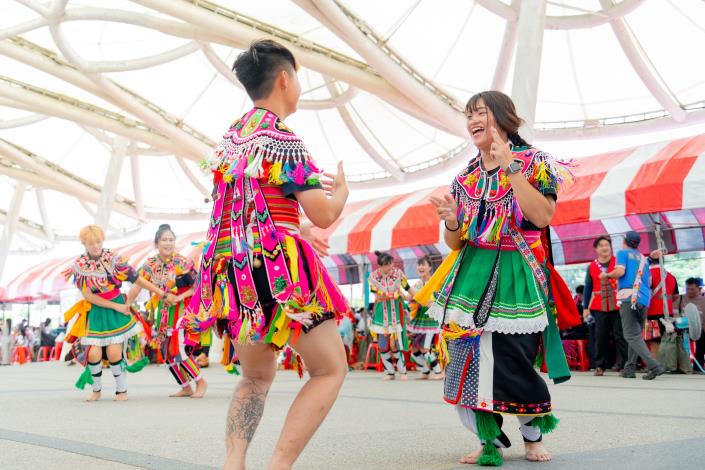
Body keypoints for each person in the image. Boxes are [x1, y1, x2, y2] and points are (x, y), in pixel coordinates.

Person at [183, 39, 349, 470]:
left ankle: (233, 463)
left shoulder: (230, 140)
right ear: (283, 78)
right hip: (277, 271)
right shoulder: (283, 140)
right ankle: (278, 466)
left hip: (231, 273)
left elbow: (246, 208)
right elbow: (324, 212)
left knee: (254, 377)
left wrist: (296, 226)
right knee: (330, 370)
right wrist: (341, 195)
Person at [424, 90, 579, 466]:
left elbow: (541, 217)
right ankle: (487, 436)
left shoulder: (535, 162)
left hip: (516, 273)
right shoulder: (465, 177)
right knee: (465, 358)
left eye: (480, 112)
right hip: (470, 277)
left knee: (513, 359)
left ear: (503, 117)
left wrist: (511, 169)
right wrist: (450, 220)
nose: (473, 120)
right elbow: (457, 242)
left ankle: (532, 434)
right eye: (469, 114)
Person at [63, 225, 164, 401]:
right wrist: (116, 306)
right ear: (84, 244)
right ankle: (96, 390)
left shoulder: (114, 259)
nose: (96, 246)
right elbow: (88, 296)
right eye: (91, 243)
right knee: (93, 353)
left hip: (116, 306)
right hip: (97, 310)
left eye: (98, 242)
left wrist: (160, 292)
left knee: (114, 351)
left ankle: (121, 390)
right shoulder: (79, 266)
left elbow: (136, 278)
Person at [126, 224, 208, 398]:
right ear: (156, 243)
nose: (168, 243)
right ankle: (185, 387)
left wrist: (178, 297)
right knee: (167, 353)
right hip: (162, 313)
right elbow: (137, 286)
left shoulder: (183, 262)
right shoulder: (150, 264)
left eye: (171, 239)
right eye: (164, 240)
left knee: (179, 348)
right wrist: (127, 304)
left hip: (182, 310)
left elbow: (197, 286)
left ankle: (201, 382)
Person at [607, 231, 665, 380]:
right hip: (644, 299)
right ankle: (629, 368)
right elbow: (649, 280)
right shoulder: (643, 258)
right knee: (636, 335)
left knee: (631, 335)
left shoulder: (623, 253)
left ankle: (654, 366)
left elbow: (620, 271)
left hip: (629, 297)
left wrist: (606, 275)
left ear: (625, 241)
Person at [582, 236, 628, 375]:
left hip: (618, 304)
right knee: (600, 336)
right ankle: (600, 366)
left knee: (620, 335)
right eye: (601, 245)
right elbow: (588, 288)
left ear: (611, 247)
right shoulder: (591, 266)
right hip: (599, 306)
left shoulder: (618, 262)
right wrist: (585, 308)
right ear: (596, 249)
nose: (604, 247)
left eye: (607, 245)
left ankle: (627, 364)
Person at [369, 251, 416, 380]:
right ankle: (389, 372)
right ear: (380, 266)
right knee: (383, 344)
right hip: (381, 312)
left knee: (395, 343)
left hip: (396, 311)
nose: (390, 267)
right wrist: (390, 295)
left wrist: (418, 296)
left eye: (391, 264)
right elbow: (377, 295)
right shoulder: (373, 277)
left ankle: (403, 371)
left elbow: (408, 288)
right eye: (387, 265)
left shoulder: (398, 274)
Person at [408, 255, 443, 380]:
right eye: (419, 265)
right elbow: (411, 298)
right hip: (419, 320)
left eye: (423, 264)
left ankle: (438, 372)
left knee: (425, 348)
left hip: (431, 320)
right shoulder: (418, 283)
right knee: (414, 349)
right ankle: (425, 371)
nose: (421, 267)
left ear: (429, 267)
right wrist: (401, 288)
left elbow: (429, 300)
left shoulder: (435, 282)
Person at [646, 255, 679, 357]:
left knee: (654, 340)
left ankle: (655, 365)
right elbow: (676, 296)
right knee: (667, 340)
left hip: (652, 312)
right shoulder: (671, 276)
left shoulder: (647, 275)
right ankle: (668, 364)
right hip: (668, 313)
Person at [680, 277, 705, 372]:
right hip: (683, 329)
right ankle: (682, 367)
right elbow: (675, 313)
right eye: (687, 289)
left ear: (699, 289)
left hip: (699, 329)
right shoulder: (680, 298)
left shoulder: (703, 301)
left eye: (692, 289)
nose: (689, 291)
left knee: (702, 343)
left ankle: (697, 367)